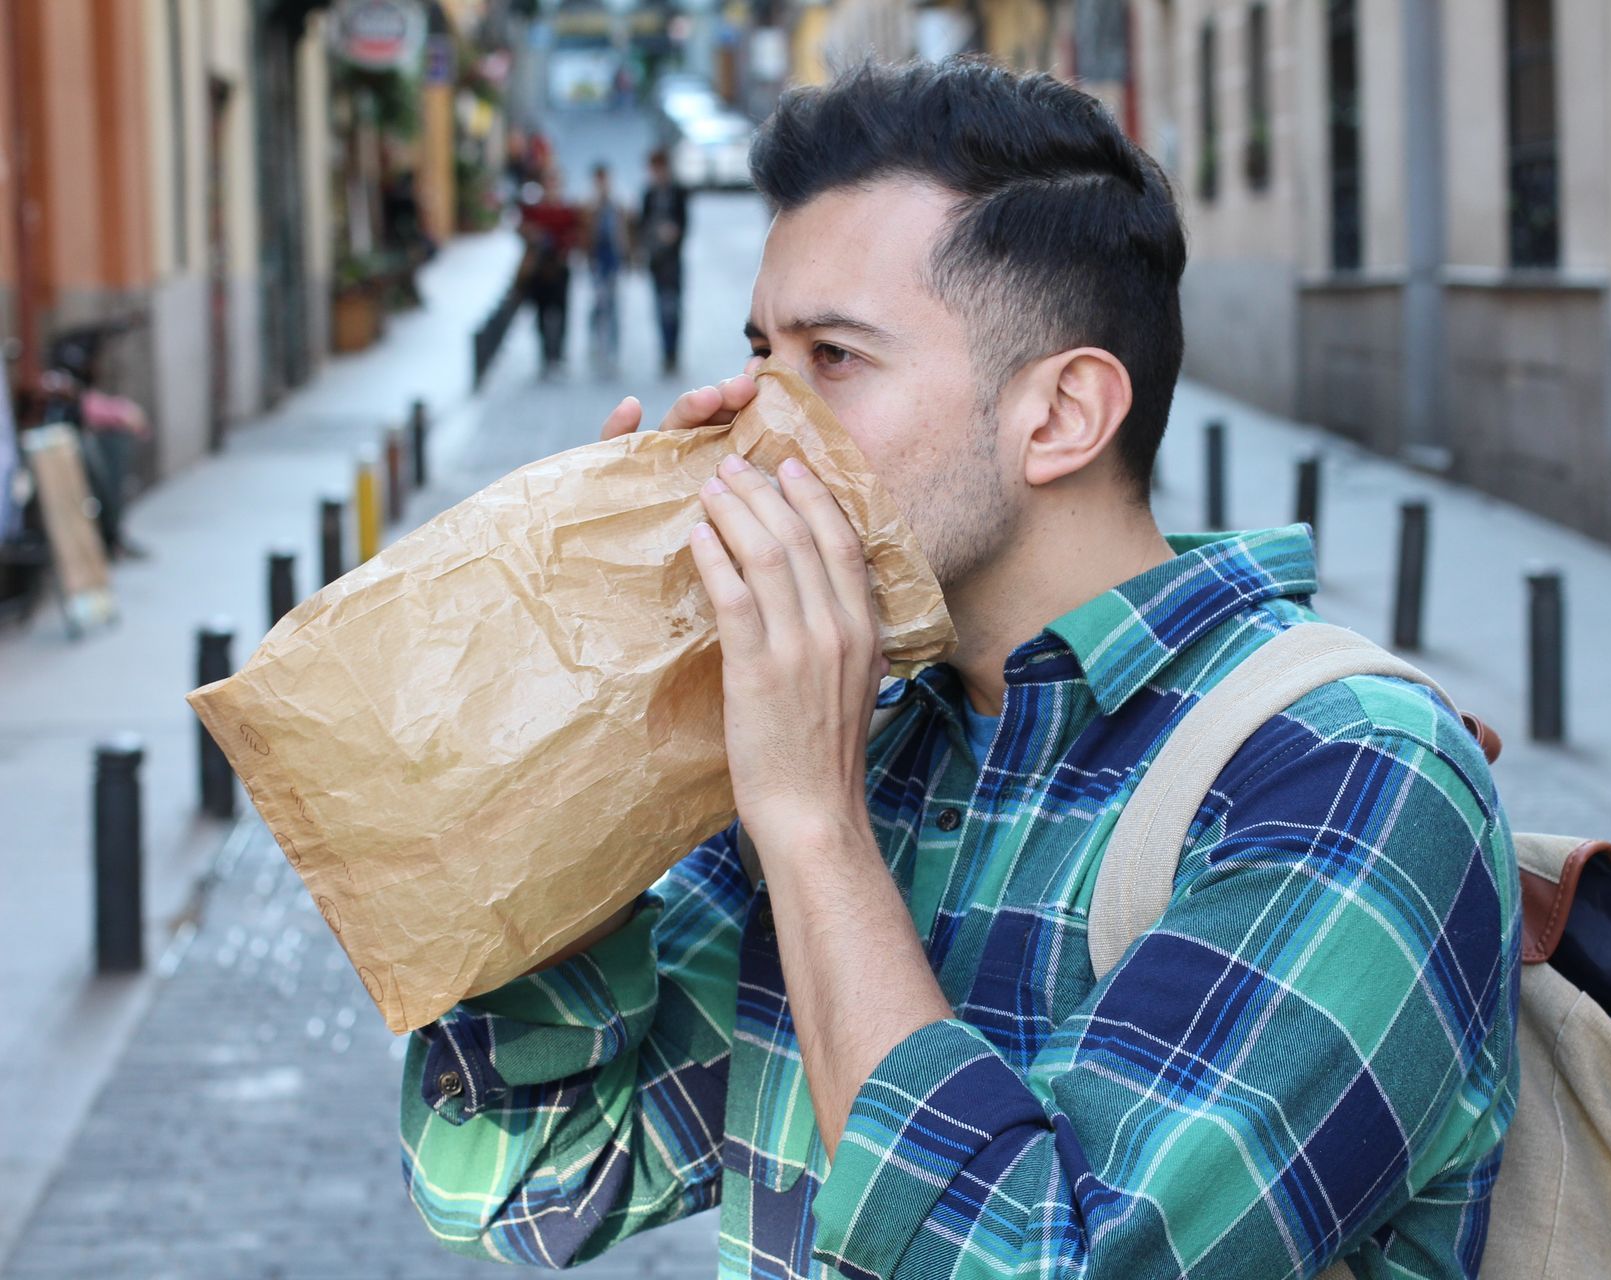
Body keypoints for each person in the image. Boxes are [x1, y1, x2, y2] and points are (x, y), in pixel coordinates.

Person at [401, 59, 1520, 1279]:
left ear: (1060, 416)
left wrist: (816, 829)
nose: (748, 422)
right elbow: (522, 1174)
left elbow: (1047, 1259)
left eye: (829, 358)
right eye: (758, 353)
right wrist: (618, 746)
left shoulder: (1349, 774)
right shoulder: (876, 735)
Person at [517, 167, 579, 374]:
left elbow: (575, 233)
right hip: (540, 270)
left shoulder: (566, 211)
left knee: (561, 312)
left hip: (559, 268)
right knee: (542, 314)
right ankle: (546, 354)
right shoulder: (535, 211)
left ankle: (558, 353)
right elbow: (522, 228)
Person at [636, 145, 689, 374]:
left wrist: (673, 234)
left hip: (673, 260)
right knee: (660, 308)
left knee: (673, 307)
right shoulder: (648, 194)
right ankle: (665, 351)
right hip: (656, 260)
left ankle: (673, 351)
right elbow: (642, 224)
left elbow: (685, 224)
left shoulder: (677, 192)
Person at [584, 162, 628, 371]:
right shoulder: (590, 204)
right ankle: (595, 342)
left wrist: (627, 255)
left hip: (612, 261)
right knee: (599, 303)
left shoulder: (616, 203)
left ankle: (612, 349)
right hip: (597, 261)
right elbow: (585, 233)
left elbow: (623, 231)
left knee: (612, 305)